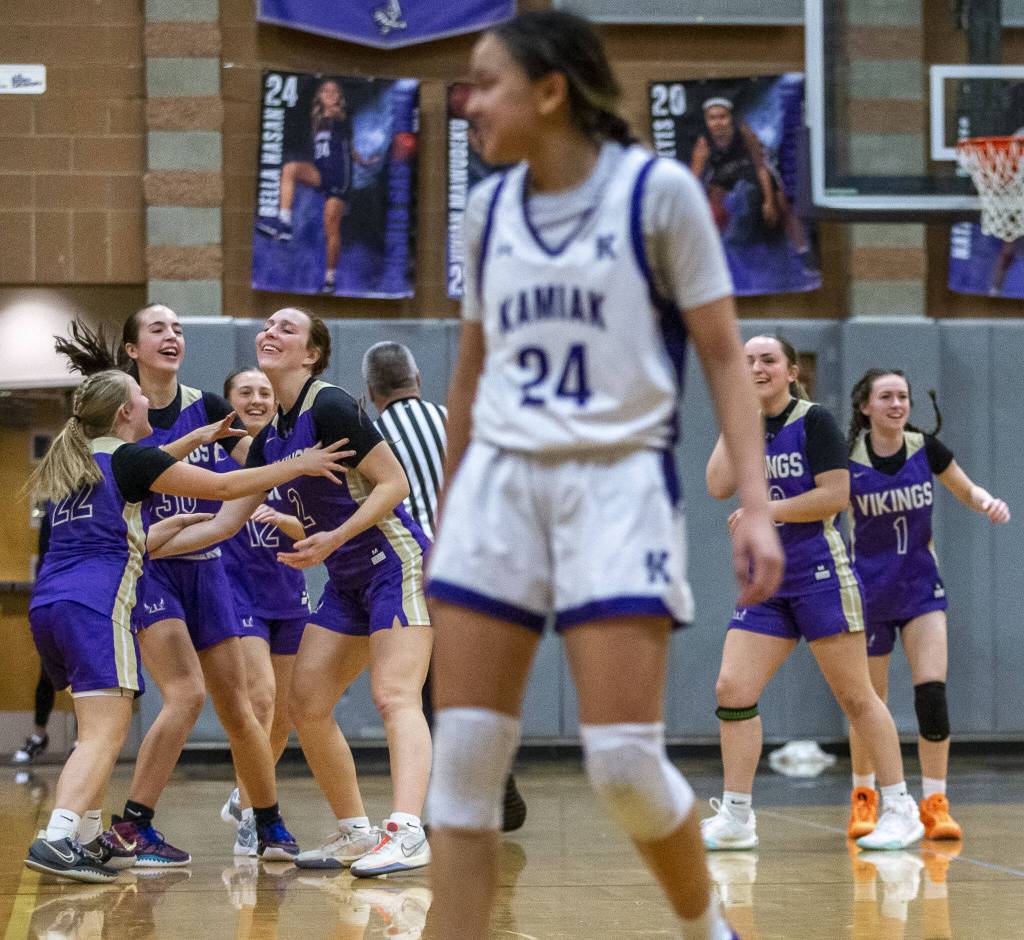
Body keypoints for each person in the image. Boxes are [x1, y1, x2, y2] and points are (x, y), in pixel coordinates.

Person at [421, 12, 783, 940]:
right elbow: (468, 378)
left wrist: (756, 506)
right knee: (461, 765)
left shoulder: (658, 195)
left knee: (620, 760)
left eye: (485, 82)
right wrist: (450, 520)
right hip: (499, 487)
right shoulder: (486, 210)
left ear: (551, 91)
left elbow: (724, 358)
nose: (468, 102)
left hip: (616, 486)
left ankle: (706, 929)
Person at [22, 363, 350, 884]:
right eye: (139, 395)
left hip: (51, 604)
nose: (150, 402)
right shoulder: (126, 459)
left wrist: (194, 445)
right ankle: (59, 836)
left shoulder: (80, 462)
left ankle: (84, 837)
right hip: (94, 604)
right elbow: (225, 487)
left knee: (94, 730)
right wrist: (297, 463)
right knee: (105, 734)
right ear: (127, 411)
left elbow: (120, 525)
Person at [59, 309, 303, 866]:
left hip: (208, 564)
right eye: (158, 330)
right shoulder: (112, 416)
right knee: (185, 694)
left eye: (178, 330)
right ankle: (132, 824)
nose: (172, 338)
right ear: (131, 349)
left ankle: (265, 821)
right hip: (150, 568)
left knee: (240, 705)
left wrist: (285, 480)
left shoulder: (209, 407)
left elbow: (249, 472)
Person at [703, 336, 924, 854]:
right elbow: (717, 485)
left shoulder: (816, 420)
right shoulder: (747, 422)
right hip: (767, 579)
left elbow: (835, 495)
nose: (756, 368)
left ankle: (899, 806)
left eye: (767, 361)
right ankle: (737, 815)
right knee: (732, 689)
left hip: (820, 572)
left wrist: (767, 512)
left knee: (856, 696)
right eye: (747, 361)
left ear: (791, 370)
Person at [248, 307, 434, 878]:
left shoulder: (329, 405)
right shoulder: (271, 439)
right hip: (346, 577)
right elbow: (250, 505)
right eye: (268, 326)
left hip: (396, 562)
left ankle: (407, 831)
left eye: (288, 328)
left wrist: (332, 538)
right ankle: (357, 830)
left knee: (394, 696)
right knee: (305, 705)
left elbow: (394, 482)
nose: (271, 332)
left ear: (311, 354)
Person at [363, 340, 527, 832]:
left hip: (415, 572)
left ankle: (456, 801)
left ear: (371, 392)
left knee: (424, 696)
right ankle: (496, 781)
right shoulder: (453, 420)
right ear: (417, 380)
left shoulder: (370, 434)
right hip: (476, 570)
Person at [844, 369, 1010, 841]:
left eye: (903, 396)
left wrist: (986, 502)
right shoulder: (847, 459)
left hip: (920, 588)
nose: (897, 404)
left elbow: (964, 488)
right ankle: (864, 797)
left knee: (931, 695)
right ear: (865, 407)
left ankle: (935, 803)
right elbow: (819, 506)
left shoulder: (924, 448)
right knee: (867, 704)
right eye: (886, 397)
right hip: (869, 592)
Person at [217, 368, 313, 856]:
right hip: (238, 593)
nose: (257, 399)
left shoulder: (291, 456)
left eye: (265, 392)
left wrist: (285, 519)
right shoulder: (214, 457)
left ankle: (248, 793)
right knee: (260, 699)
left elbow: (316, 530)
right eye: (245, 392)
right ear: (229, 402)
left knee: (283, 716)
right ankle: (255, 817)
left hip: (288, 592)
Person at [256, 79, 379, 295]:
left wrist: (364, 163)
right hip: (322, 174)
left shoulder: (341, 119)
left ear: (339, 97)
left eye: (334, 91)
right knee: (290, 168)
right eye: (325, 91)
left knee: (330, 228)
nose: (330, 94)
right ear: (319, 96)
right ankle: (284, 224)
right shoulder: (318, 121)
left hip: (339, 180)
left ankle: (329, 279)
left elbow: (349, 148)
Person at [690, 98, 807, 252]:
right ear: (706, 121)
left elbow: (761, 167)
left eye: (722, 117)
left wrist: (769, 201)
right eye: (713, 118)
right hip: (724, 182)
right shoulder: (704, 144)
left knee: (782, 201)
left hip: (751, 175)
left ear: (730, 118)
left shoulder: (744, 133)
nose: (718, 122)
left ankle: (802, 250)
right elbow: (693, 180)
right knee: (714, 206)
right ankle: (719, 252)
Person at [15, 515, 56, 766]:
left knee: (87, 676)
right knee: (47, 673)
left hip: (89, 597)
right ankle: (39, 735)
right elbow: (44, 559)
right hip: (53, 596)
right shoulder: (53, 510)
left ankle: (83, 740)